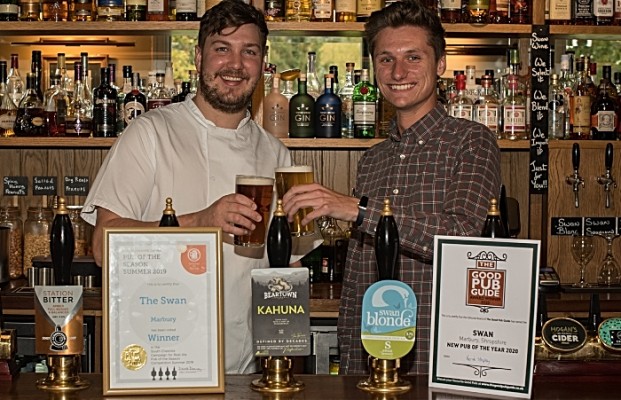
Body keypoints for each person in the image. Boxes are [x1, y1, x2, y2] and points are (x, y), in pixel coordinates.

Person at [282, 0, 502, 375]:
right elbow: (359, 269)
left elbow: (465, 238)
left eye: (413, 57)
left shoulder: (471, 141)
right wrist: (351, 353)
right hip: (366, 356)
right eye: (386, 59)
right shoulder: (375, 158)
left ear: (441, 64)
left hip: (434, 355)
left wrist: (359, 210)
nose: (398, 71)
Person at [81, 0, 298, 374]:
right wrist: (202, 220)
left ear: (263, 64)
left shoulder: (275, 152)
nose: (235, 64)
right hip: (157, 362)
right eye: (221, 49)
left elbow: (287, 266)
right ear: (198, 58)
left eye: (249, 52)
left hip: (243, 368)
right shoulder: (150, 132)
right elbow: (103, 245)